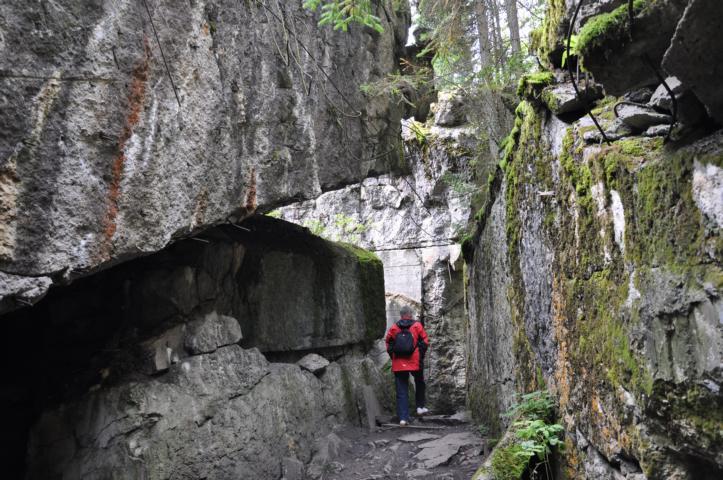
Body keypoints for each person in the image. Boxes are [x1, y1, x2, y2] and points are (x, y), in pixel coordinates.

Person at [385, 306, 430, 426]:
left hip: (399, 363)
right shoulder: (417, 326)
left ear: (401, 315)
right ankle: (420, 407)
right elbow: (425, 342)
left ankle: (403, 418)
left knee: (401, 390)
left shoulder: (394, 328)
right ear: (410, 315)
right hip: (415, 361)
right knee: (420, 382)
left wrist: (393, 357)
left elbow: (388, 343)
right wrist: (420, 355)